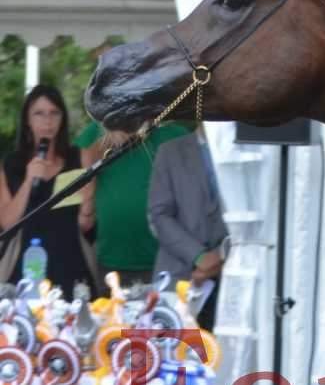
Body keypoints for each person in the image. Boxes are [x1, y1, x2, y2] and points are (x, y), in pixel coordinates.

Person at [0, 85, 98, 293]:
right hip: (26, 270)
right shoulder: (10, 165)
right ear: (27, 120)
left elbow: (84, 226)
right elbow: (7, 223)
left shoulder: (79, 158)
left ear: (62, 118)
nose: (47, 121)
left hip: (71, 266)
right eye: (39, 113)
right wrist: (28, 181)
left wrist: (88, 203)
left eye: (54, 113)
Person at [77, 118, 189, 287]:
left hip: (167, 262)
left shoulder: (176, 134)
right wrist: (109, 136)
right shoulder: (97, 130)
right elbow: (83, 170)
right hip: (112, 261)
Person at [146, 126, 228, 330]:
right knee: (174, 356)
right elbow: (159, 215)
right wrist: (199, 256)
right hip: (178, 277)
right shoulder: (170, 152)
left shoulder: (248, 151)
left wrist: (222, 255)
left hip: (231, 278)